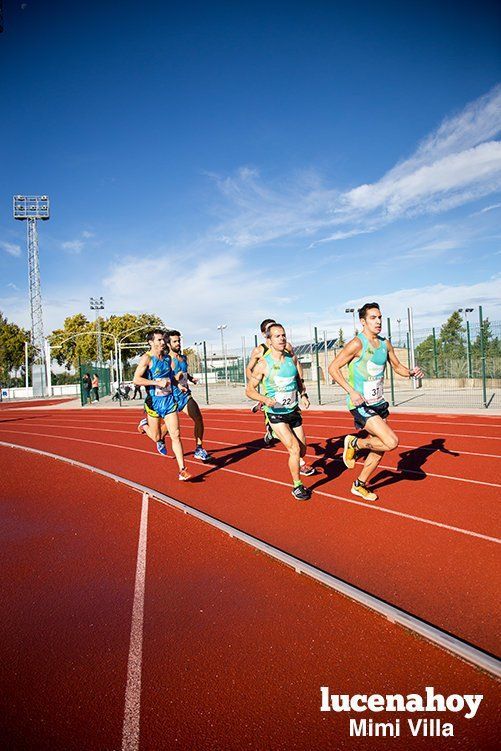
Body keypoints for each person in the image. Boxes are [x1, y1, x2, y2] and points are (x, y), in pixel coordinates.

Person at [328, 302, 424, 501]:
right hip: (360, 404)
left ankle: (359, 484)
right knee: (391, 442)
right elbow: (333, 368)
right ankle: (355, 443)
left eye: (379, 317)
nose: (378, 321)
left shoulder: (385, 344)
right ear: (363, 321)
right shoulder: (357, 344)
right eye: (373, 318)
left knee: (380, 446)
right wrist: (351, 391)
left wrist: (411, 373)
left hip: (378, 403)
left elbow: (397, 367)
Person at [246, 323, 316, 501]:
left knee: (302, 450)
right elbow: (249, 390)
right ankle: (297, 486)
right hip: (275, 412)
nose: (282, 338)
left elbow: (298, 380)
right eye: (277, 336)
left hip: (293, 410)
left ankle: (273, 434)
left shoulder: (291, 359)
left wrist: (304, 394)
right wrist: (264, 399)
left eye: (283, 335)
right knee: (293, 449)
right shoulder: (263, 364)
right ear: (268, 340)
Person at [133, 329, 191, 481]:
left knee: (176, 434)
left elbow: (171, 376)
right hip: (153, 403)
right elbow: (136, 379)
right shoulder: (147, 358)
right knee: (157, 437)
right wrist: (156, 382)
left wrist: (179, 386)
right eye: (158, 340)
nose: (162, 342)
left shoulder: (166, 359)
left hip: (169, 401)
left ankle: (182, 470)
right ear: (151, 342)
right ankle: (144, 426)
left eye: (163, 340)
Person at [246, 319, 307, 447]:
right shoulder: (259, 351)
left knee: (299, 443)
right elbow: (249, 368)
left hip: (288, 391)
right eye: (275, 334)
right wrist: (257, 387)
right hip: (269, 384)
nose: (281, 337)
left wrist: (302, 389)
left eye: (282, 334)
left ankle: (275, 430)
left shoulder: (287, 347)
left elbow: (295, 363)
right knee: (273, 411)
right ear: (265, 335)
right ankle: (271, 428)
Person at [164, 330, 213, 462]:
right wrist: (176, 380)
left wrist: (191, 379)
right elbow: (165, 379)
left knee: (198, 418)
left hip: (185, 396)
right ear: (168, 344)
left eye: (179, 340)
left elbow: (184, 373)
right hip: (171, 397)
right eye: (175, 341)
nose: (178, 343)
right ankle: (156, 435)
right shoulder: (167, 360)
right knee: (167, 430)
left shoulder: (183, 358)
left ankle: (199, 448)